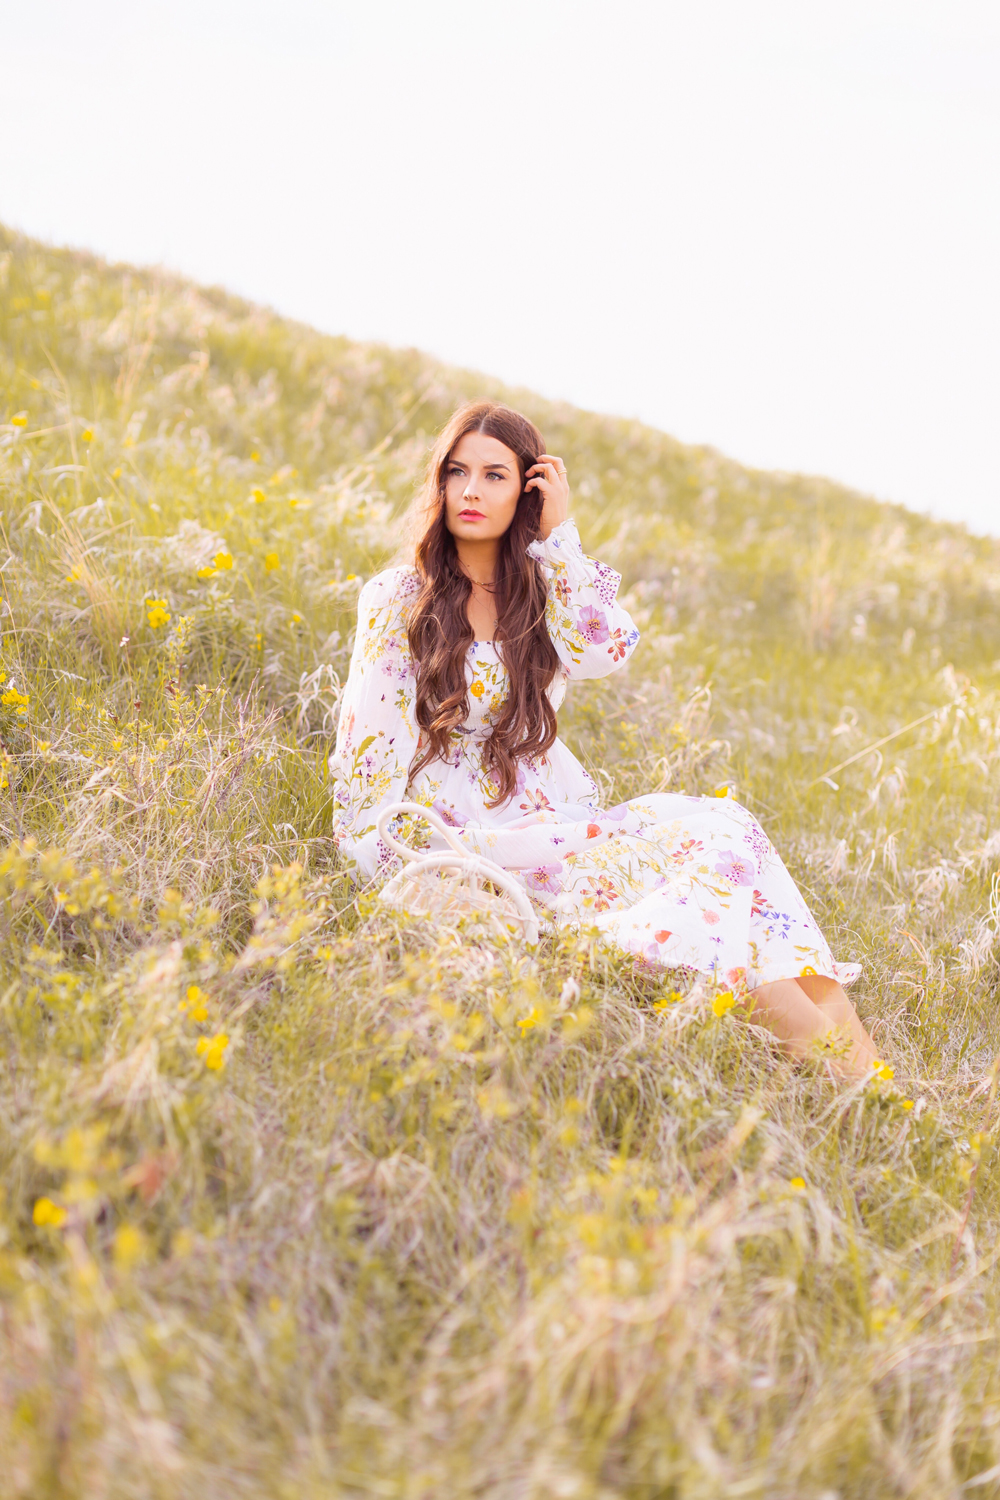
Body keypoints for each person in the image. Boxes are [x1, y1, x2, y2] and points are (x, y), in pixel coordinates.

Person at [329, 401, 877, 1079]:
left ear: (527, 489)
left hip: (552, 824)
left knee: (726, 842)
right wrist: (399, 867)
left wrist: (560, 538)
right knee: (715, 911)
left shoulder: (543, 592)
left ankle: (875, 1090)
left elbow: (604, 650)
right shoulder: (397, 599)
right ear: (438, 483)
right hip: (464, 838)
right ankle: (867, 1098)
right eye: (457, 471)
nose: (471, 490)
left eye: (496, 476)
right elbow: (367, 763)